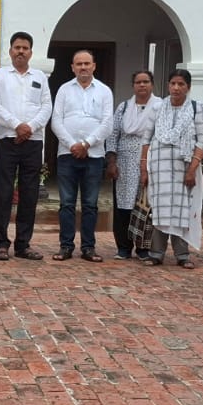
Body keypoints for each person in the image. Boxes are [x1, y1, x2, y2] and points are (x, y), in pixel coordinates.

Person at [0, 31, 52, 260]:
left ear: (31, 52)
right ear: (10, 51)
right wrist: (17, 125)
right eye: (17, 47)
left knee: (29, 193)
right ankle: (1, 243)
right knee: (3, 193)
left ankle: (23, 244)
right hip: (7, 140)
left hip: (33, 142)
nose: (21, 52)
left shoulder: (40, 77)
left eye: (25, 48)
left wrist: (29, 128)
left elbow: (47, 107)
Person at [140, 68, 203, 268]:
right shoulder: (157, 108)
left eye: (181, 84)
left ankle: (182, 255)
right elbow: (146, 139)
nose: (176, 88)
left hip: (185, 168)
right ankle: (156, 254)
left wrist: (192, 170)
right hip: (159, 168)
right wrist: (144, 169)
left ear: (188, 87)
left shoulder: (197, 108)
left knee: (182, 210)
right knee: (160, 208)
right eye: (173, 83)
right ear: (168, 85)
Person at [51, 49, 114, 262]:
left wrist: (87, 144)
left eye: (87, 63)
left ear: (94, 66)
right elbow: (56, 121)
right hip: (67, 154)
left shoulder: (104, 91)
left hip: (94, 155)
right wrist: (73, 145)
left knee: (90, 204)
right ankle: (66, 246)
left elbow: (107, 123)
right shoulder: (64, 90)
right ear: (72, 67)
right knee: (67, 203)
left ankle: (88, 247)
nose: (83, 67)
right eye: (79, 64)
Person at [106, 70, 163, 260]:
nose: (142, 85)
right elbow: (113, 134)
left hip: (151, 160)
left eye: (146, 81)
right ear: (133, 85)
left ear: (152, 84)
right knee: (124, 206)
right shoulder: (123, 107)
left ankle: (143, 248)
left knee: (146, 206)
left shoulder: (160, 107)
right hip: (124, 162)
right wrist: (111, 162)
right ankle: (123, 247)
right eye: (138, 82)